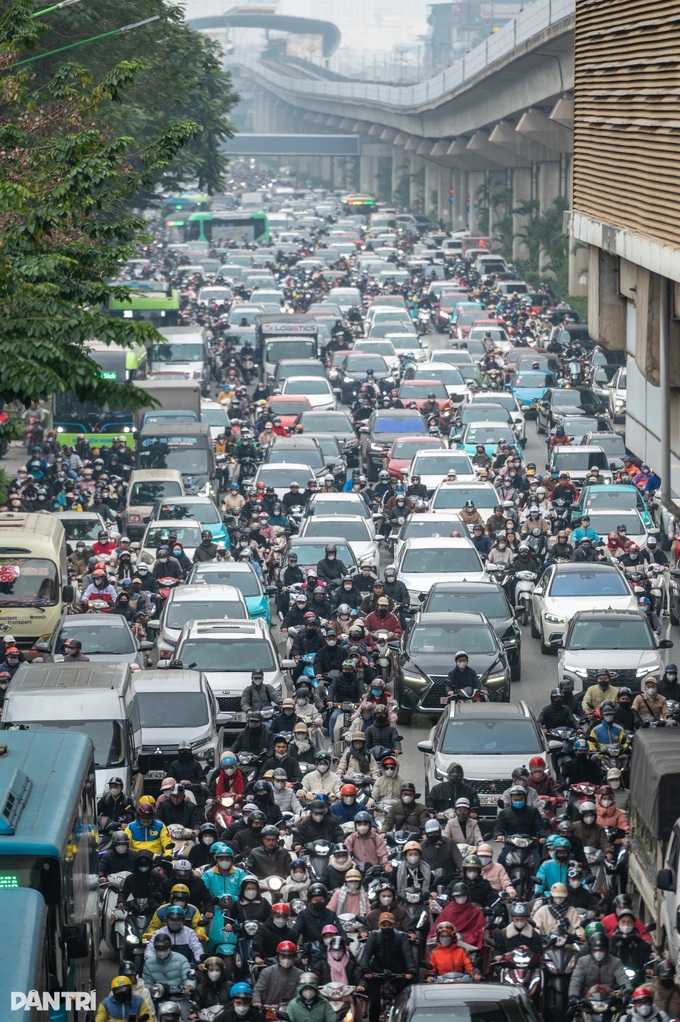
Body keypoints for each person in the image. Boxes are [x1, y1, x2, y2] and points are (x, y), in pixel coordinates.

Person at [359, 913, 415, 1022]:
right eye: (384, 925)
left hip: (397, 971)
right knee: (374, 1003)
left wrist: (411, 970)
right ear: (379, 925)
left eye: (389, 925)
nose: (387, 927)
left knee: (402, 1001)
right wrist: (365, 969)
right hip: (377, 971)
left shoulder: (401, 936)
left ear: (394, 925)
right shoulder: (374, 935)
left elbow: (407, 954)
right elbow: (367, 954)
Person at [568, 932, 632, 1003]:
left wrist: (627, 992)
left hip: (610, 999)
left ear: (607, 950)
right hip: (587, 1000)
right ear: (590, 950)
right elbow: (576, 980)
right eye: (595, 950)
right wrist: (573, 996)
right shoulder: (582, 961)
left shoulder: (616, 962)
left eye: (601, 950)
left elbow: (623, 978)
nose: (598, 953)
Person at [494, 784, 546, 866]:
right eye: (515, 799)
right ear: (511, 799)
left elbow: (540, 827)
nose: (518, 801)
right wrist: (499, 835)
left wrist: (542, 836)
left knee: (538, 862)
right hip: (511, 844)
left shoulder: (533, 811)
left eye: (520, 799)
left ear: (525, 798)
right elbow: (498, 828)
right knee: (501, 859)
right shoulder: (504, 813)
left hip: (530, 844)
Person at [426, 882, 485, 948]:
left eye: (463, 896)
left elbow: (480, 932)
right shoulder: (448, 911)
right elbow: (436, 930)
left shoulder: (476, 912)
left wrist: (462, 936)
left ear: (468, 896)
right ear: (454, 897)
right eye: (458, 896)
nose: (461, 899)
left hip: (468, 945)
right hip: (446, 943)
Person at [253, 941, 302, 1008]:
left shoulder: (300, 974)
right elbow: (258, 989)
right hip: (270, 1009)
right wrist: (257, 1001)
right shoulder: (267, 972)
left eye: (290, 957)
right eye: (283, 956)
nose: (286, 959)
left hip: (293, 1010)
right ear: (278, 956)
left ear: (294, 957)